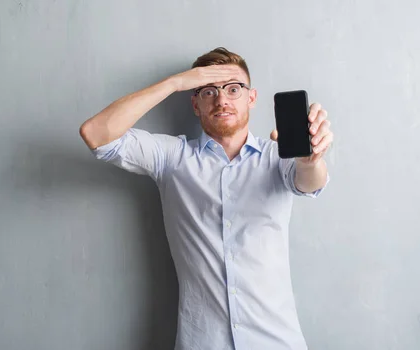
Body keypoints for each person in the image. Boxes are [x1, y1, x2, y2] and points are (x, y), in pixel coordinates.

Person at [78, 47, 333, 350]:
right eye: (209, 91)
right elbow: (96, 134)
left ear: (251, 98)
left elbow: (308, 182)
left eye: (233, 89)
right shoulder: (172, 158)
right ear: (195, 104)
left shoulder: (277, 156)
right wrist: (176, 82)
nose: (222, 99)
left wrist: (310, 161)